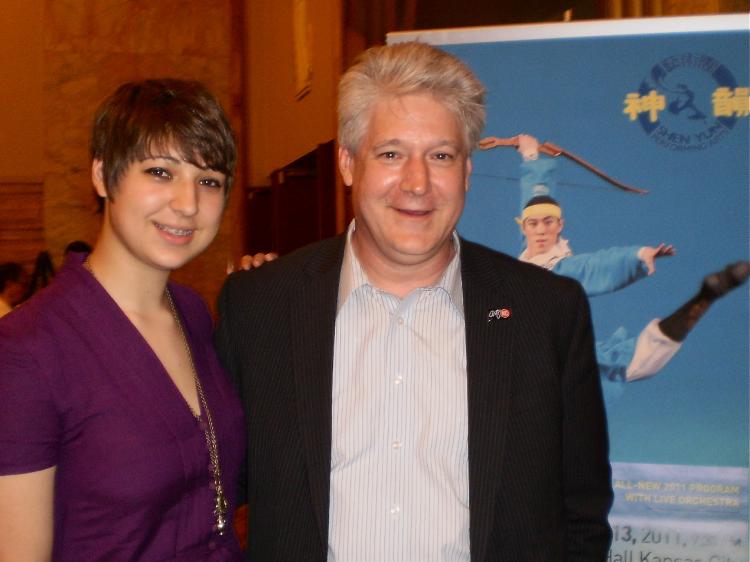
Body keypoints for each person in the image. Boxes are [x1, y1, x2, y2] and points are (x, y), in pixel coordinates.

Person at [216, 41, 612, 561]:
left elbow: (581, 514)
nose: (417, 182)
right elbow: (210, 492)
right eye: (391, 154)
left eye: (441, 156)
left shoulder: (548, 312)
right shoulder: (259, 307)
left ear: (467, 172)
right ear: (347, 163)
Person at [0, 79, 246, 561]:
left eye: (209, 180)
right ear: (102, 176)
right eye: (160, 171)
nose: (188, 203)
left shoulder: (193, 313)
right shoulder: (27, 349)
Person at [502, 134, 749, 398]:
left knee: (633, 363)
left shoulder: (562, 271)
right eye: (533, 224)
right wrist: (530, 156)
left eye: (548, 223)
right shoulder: (528, 255)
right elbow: (536, 195)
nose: (540, 231)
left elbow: (596, 266)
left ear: (560, 226)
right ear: (524, 227)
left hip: (551, 362)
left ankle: (703, 299)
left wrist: (638, 255)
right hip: (524, 359)